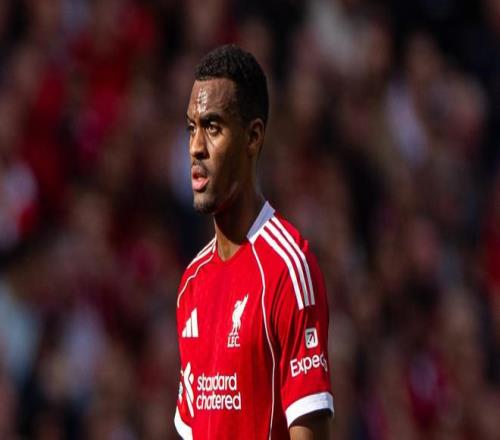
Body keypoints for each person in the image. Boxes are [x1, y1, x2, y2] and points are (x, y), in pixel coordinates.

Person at [174, 44, 333, 439]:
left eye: (213, 127)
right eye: (192, 128)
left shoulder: (288, 269)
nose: (196, 147)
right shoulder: (192, 283)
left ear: (253, 137)